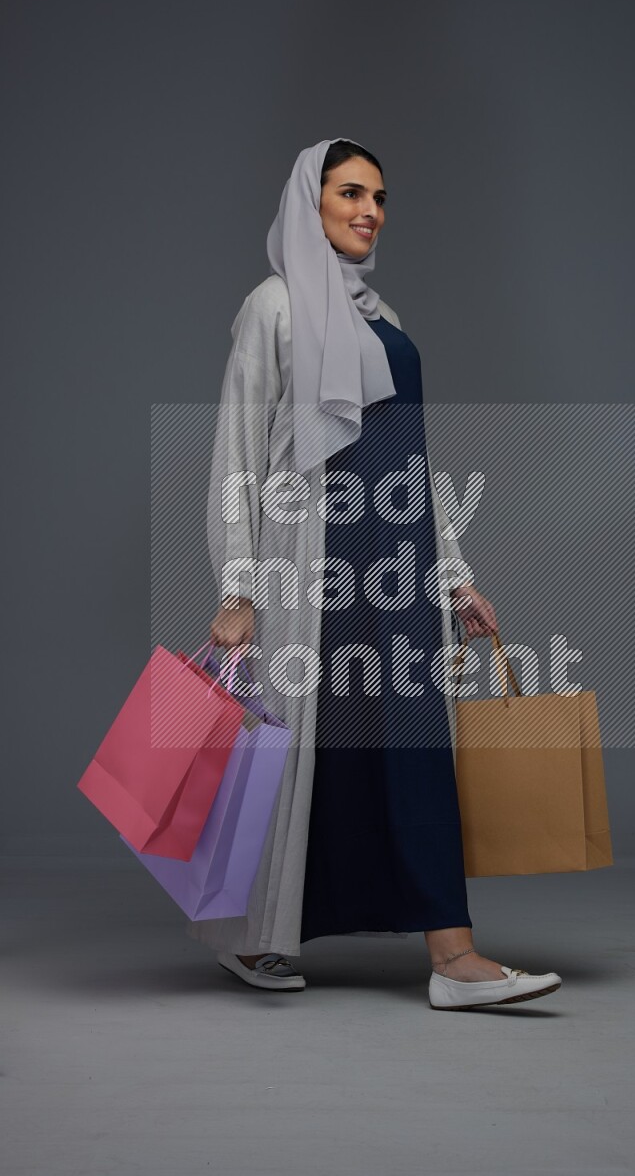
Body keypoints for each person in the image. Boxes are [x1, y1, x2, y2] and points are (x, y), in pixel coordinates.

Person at [192, 138, 562, 1010]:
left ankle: (453, 955)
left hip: (395, 563)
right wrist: (237, 590)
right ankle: (255, 935)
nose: (370, 211)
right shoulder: (274, 307)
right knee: (290, 749)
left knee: (413, 741)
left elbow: (409, 456)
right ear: (307, 203)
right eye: (350, 192)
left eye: (380, 197)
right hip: (310, 562)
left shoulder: (379, 315)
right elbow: (236, 452)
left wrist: (454, 572)